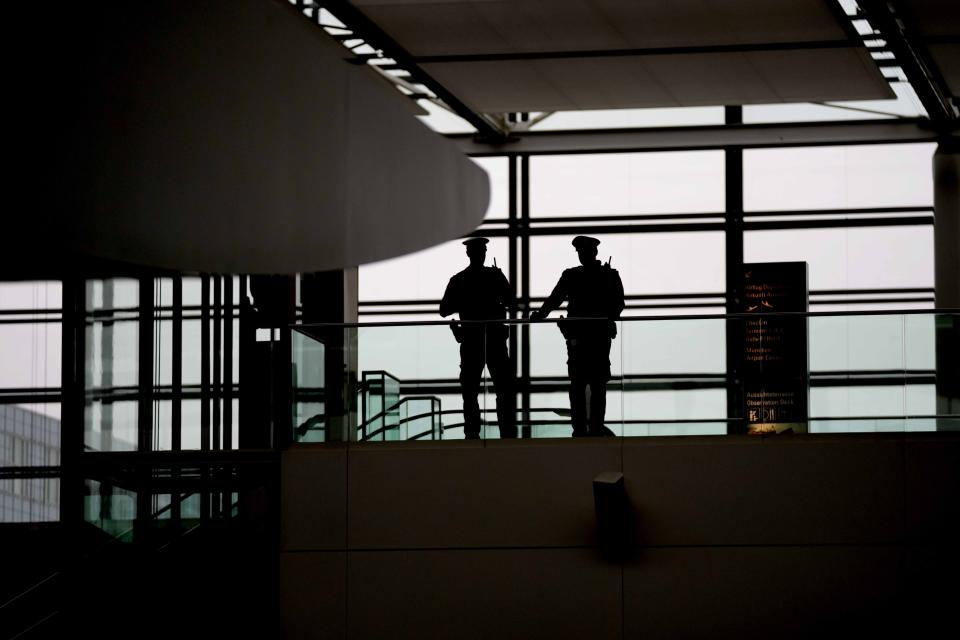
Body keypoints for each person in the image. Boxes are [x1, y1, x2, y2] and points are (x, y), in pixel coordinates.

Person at [530, 236, 625, 437]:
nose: (583, 255)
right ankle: (593, 428)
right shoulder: (607, 275)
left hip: (581, 339)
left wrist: (541, 314)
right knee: (593, 386)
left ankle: (582, 429)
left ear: (592, 253)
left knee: (581, 385)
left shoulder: (573, 276)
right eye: (581, 252)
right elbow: (617, 307)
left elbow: (554, 300)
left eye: (584, 251)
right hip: (595, 337)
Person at [440, 237, 517, 439]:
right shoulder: (494, 276)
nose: (481, 254)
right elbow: (512, 302)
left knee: (471, 390)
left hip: (472, 340)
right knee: (502, 390)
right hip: (494, 340)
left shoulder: (459, 279)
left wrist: (467, 303)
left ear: (468, 254)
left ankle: (472, 433)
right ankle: (506, 432)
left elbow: (444, 310)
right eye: (481, 251)